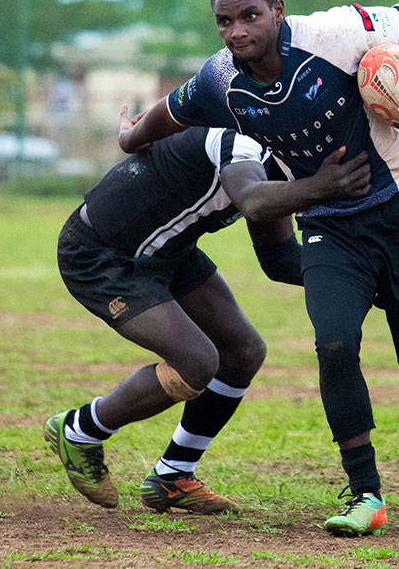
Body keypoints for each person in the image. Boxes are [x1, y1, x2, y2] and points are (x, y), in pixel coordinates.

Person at [118, 0, 399, 537]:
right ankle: (366, 493)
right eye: (224, 21)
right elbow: (167, 113)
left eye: (249, 15)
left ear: (277, 11)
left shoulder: (335, 34)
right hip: (329, 224)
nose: (236, 31)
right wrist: (130, 135)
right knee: (333, 342)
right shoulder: (221, 79)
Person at [45, 115, 370, 515]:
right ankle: (78, 431)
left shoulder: (278, 161)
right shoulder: (241, 142)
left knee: (243, 350)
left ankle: (173, 474)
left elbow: (280, 259)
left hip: (167, 252)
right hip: (103, 255)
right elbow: (252, 199)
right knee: (197, 362)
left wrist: (359, 275)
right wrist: (319, 187)